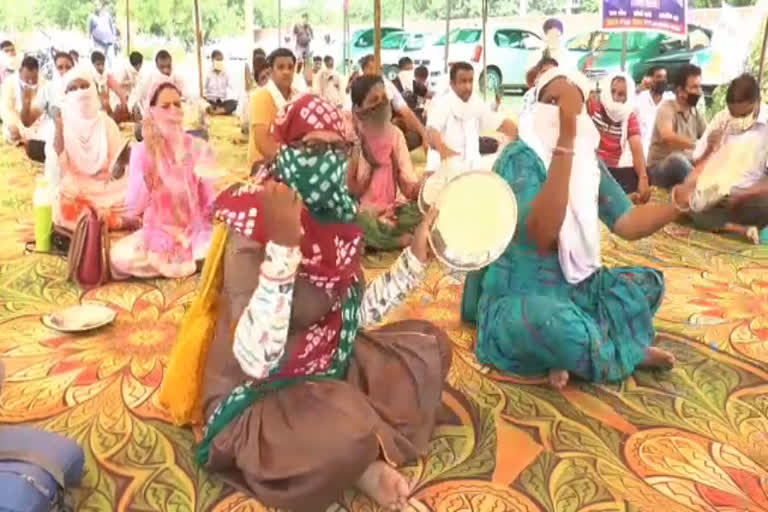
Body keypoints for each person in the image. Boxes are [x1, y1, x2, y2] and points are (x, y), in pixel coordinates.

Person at [161, 93, 451, 512]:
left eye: (336, 148)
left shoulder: (336, 214)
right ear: (286, 149)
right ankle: (361, 463)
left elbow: (355, 310)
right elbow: (256, 358)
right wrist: (281, 249)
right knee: (349, 431)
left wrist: (415, 260)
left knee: (428, 347)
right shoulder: (255, 218)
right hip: (259, 392)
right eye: (311, 148)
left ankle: (356, 448)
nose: (325, 161)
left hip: (327, 364)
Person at [463, 68, 698, 391]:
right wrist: (566, 139)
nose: (561, 111)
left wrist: (677, 205)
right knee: (552, 324)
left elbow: (627, 222)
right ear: (536, 106)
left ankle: (572, 355)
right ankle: (618, 350)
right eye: (553, 102)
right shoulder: (519, 158)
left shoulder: (587, 162)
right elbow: (542, 233)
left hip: (577, 288)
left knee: (648, 284)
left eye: (570, 104)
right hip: (522, 294)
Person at [111, 78, 215, 279]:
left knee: (220, 245)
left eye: (177, 104)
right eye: (165, 106)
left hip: (193, 231)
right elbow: (134, 207)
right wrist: (154, 156)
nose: (173, 111)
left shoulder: (195, 147)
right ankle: (188, 262)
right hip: (159, 233)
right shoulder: (142, 152)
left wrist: (212, 219)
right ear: (151, 111)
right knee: (119, 257)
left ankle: (190, 258)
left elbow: (208, 198)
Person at [45, 66, 128, 231]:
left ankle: (98, 219)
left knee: (137, 187)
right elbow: (58, 170)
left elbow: (116, 166)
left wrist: (119, 166)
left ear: (93, 89)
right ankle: (117, 220)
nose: (80, 92)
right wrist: (59, 129)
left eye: (84, 87)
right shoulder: (58, 126)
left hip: (107, 187)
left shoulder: (106, 123)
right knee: (61, 201)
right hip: (75, 189)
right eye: (73, 89)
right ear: (64, 95)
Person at [688, 74, 768, 243]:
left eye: (744, 114)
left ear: (757, 102)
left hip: (751, 197)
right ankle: (739, 228)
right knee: (692, 203)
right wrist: (709, 148)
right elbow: (697, 163)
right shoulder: (722, 119)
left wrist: (746, 194)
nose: (738, 119)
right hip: (719, 196)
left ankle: (732, 225)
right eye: (734, 114)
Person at [348, 75, 422, 250]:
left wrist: (421, 188)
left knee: (421, 213)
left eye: (383, 99)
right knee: (356, 223)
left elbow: (407, 185)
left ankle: (381, 239)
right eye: (374, 100)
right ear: (359, 108)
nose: (381, 105)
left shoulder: (395, 134)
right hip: (361, 214)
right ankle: (394, 240)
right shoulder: (349, 137)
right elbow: (348, 191)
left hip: (391, 212)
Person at [426, 62, 517, 173]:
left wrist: (517, 140)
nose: (468, 86)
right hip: (444, 170)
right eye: (463, 81)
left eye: (470, 81)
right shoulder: (442, 103)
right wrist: (443, 150)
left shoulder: (476, 103)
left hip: (472, 170)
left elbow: (499, 122)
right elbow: (431, 130)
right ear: (452, 84)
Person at [586, 72, 649, 203]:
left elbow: (637, 150)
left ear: (627, 97)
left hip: (611, 172)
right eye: (612, 91)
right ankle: (615, 197)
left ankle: (610, 196)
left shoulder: (628, 117)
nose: (615, 97)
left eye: (621, 94)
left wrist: (643, 179)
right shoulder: (594, 108)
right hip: (590, 166)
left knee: (636, 175)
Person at [646, 64, 706, 189]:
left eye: (699, 86)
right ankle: (700, 191)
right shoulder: (667, 108)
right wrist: (697, 145)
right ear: (680, 91)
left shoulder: (696, 113)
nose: (699, 91)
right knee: (676, 160)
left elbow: (708, 137)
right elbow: (668, 137)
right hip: (659, 169)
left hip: (687, 165)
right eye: (694, 87)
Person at [359, 54, 428, 152]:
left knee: (414, 137)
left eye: (377, 69)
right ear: (364, 70)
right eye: (371, 68)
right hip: (365, 135)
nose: (375, 72)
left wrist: (423, 134)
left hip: (389, 132)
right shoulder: (358, 86)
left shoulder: (387, 84)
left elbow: (405, 111)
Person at [247, 48, 303, 166]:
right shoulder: (261, 96)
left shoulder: (297, 97)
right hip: (263, 164)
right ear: (271, 72)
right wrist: (289, 166)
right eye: (281, 67)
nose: (286, 72)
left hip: (288, 161)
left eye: (290, 67)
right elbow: (262, 143)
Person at [1, 56, 49, 162]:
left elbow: (41, 109)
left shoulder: (43, 82)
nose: (31, 81)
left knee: (46, 132)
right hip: (15, 121)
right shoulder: (9, 82)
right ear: (21, 71)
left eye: (34, 78)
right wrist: (14, 124)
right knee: (11, 133)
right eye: (27, 79)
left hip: (36, 122)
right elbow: (6, 109)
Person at [635, 66, 675, 157]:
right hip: (641, 154)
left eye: (665, 77)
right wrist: (638, 89)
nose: (663, 80)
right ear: (650, 79)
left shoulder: (670, 99)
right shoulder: (639, 99)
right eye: (659, 77)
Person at [91, 50, 128, 119]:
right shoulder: (89, 78)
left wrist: (123, 108)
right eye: (98, 64)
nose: (101, 67)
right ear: (93, 64)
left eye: (103, 64)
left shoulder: (107, 77)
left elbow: (121, 93)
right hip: (94, 115)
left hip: (108, 112)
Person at [391, 57, 430, 123]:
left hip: (414, 116)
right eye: (407, 70)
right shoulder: (395, 82)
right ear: (400, 70)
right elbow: (408, 97)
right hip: (401, 117)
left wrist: (424, 100)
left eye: (411, 70)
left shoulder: (415, 83)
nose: (409, 73)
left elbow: (422, 96)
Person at [204, 50, 237, 115]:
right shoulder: (207, 73)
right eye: (217, 60)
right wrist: (205, 99)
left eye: (221, 60)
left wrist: (230, 97)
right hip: (211, 101)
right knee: (203, 104)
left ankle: (216, 111)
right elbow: (203, 89)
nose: (220, 62)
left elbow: (232, 88)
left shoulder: (226, 72)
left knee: (234, 103)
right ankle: (218, 111)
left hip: (222, 102)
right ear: (212, 60)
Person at [88, 1, 118, 67]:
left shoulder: (107, 16)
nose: (97, 7)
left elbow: (112, 28)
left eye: (98, 5)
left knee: (110, 62)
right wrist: (90, 43)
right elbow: (90, 32)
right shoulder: (92, 17)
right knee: (98, 61)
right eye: (95, 5)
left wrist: (114, 39)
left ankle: (109, 74)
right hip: (98, 43)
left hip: (109, 43)